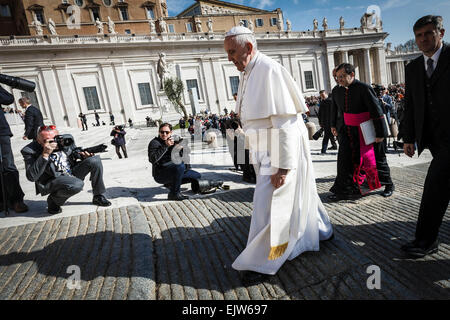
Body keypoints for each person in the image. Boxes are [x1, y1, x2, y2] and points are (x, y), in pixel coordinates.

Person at [223, 26, 333, 282]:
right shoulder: (247, 72)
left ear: (248, 48)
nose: (229, 58)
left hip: (279, 150)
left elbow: (284, 123)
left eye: (232, 52)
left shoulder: (269, 69)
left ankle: (265, 261)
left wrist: (282, 167)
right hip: (265, 148)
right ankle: (320, 230)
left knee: (271, 206)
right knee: (299, 194)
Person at [399, 15, 450, 258]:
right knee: (440, 187)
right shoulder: (413, 68)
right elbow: (410, 104)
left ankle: (425, 240)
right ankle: (426, 239)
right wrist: (408, 137)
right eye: (418, 35)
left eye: (429, 33)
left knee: (434, 186)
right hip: (435, 140)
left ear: (441, 33)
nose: (423, 39)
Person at [329, 63, 393, 201]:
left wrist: (380, 133)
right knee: (345, 161)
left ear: (352, 75)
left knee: (376, 159)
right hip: (347, 131)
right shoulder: (336, 91)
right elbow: (335, 109)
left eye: (341, 76)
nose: (338, 79)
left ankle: (388, 184)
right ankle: (343, 190)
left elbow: (377, 110)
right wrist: (333, 125)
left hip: (367, 130)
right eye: (337, 76)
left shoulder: (364, 88)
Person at [21, 125, 111, 214]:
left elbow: (74, 152)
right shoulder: (29, 150)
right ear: (38, 141)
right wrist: (45, 154)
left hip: (70, 172)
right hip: (53, 179)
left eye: (55, 138)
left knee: (95, 160)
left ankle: (98, 196)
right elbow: (31, 177)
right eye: (48, 140)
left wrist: (83, 156)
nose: (54, 143)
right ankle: (54, 201)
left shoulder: (66, 139)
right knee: (77, 184)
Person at [148, 123, 201, 201]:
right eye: (162, 132)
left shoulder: (174, 141)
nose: (164, 134)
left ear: (171, 132)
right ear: (159, 132)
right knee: (179, 165)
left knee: (196, 176)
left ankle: (171, 184)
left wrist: (181, 149)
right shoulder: (154, 143)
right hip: (160, 174)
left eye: (167, 132)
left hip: (174, 170)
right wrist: (165, 146)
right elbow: (152, 159)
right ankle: (174, 193)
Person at [0, 85, 28, 213]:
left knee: (8, 165)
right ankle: (2, 201)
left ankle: (17, 200)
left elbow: (8, 98)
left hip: (1, 132)